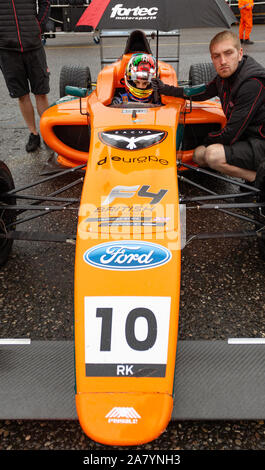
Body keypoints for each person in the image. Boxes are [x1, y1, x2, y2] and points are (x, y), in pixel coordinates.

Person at [151, 30, 265, 201]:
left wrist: (205, 139)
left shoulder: (252, 83)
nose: (223, 61)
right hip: (249, 138)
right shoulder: (224, 77)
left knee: (211, 154)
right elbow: (201, 93)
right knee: (198, 155)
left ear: (240, 53)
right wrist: (165, 89)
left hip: (261, 143)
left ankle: (258, 180)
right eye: (216, 56)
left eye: (228, 53)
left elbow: (230, 135)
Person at [0, 0, 50, 152]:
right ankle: (33, 134)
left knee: (41, 92)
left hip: (33, 45)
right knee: (22, 95)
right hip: (7, 49)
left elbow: (45, 3)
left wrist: (38, 25)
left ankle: (48, 133)